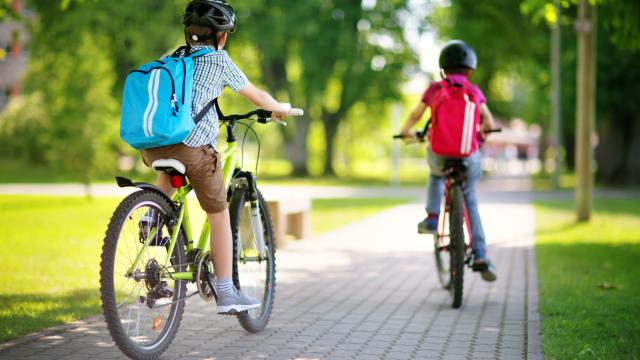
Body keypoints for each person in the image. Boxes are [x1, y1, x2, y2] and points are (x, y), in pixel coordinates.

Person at [140, 0, 292, 313]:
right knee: (219, 213)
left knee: (171, 169)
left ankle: (150, 215)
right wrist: (279, 107)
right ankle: (226, 291)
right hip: (196, 151)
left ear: (188, 34)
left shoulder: (174, 58)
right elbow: (256, 95)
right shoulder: (220, 61)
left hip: (154, 147)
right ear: (222, 37)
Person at [399, 40, 497, 282]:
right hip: (467, 156)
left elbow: (416, 114)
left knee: (435, 174)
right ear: (470, 70)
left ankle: (432, 218)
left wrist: (405, 131)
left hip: (440, 152)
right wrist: (483, 132)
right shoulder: (473, 92)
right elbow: (489, 122)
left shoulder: (434, 89)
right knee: (470, 198)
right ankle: (481, 253)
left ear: (443, 69)